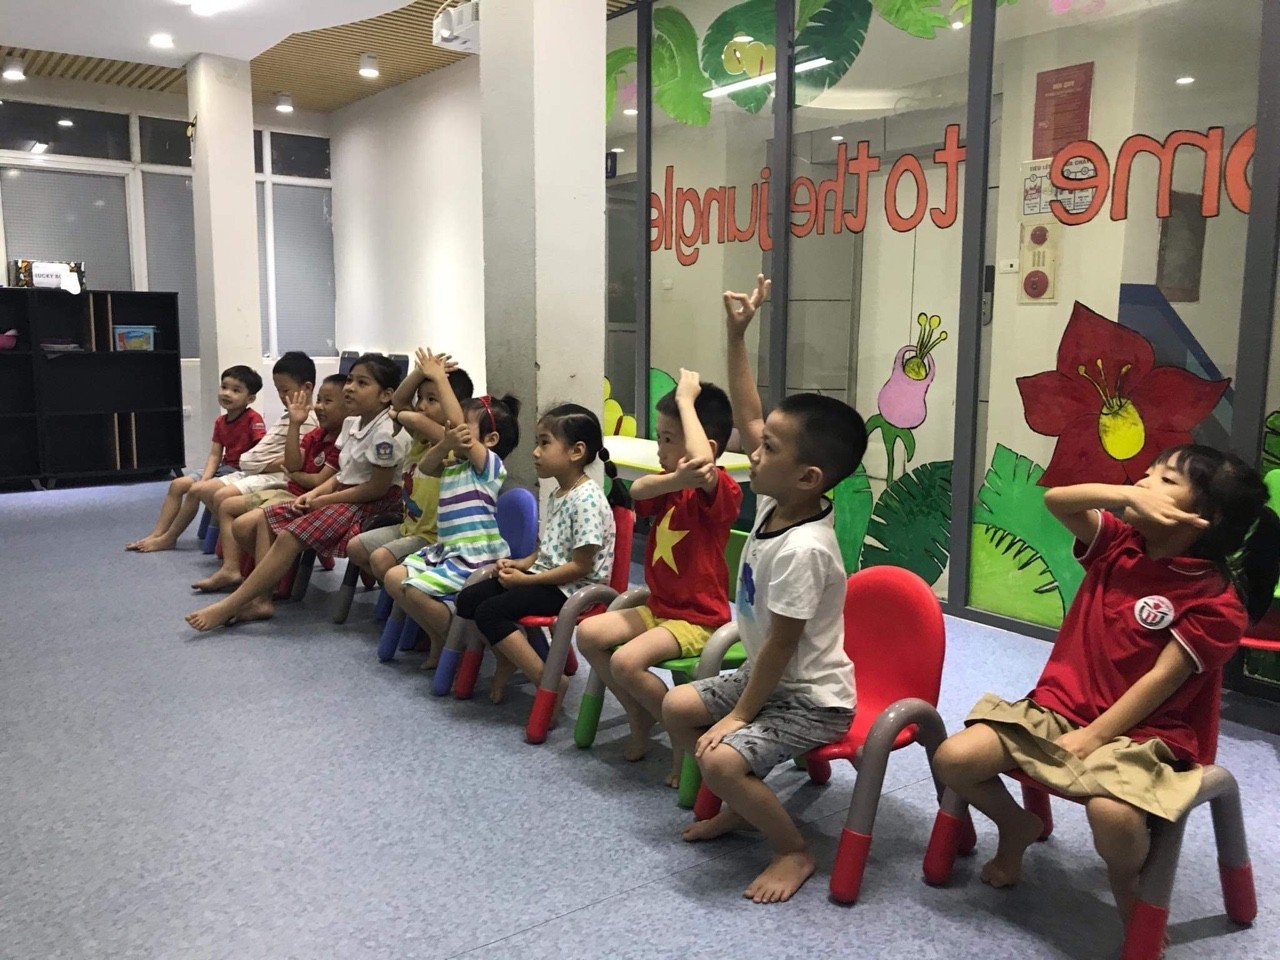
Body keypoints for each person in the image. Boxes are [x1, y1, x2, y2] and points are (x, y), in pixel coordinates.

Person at [932, 445, 1280, 938]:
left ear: (1206, 517)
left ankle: (1126, 880)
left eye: (1165, 480)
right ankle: (1016, 825)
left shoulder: (1215, 601)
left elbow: (1160, 682)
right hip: (1057, 707)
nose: (1143, 482)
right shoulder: (1119, 543)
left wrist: (1095, 736)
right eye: (1148, 473)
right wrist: (1123, 495)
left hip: (1146, 734)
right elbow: (1057, 501)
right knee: (954, 759)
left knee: (1112, 815)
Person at [662, 274, 867, 905]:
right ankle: (742, 806)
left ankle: (793, 849)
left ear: (808, 476)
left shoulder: (805, 549)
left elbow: (781, 646)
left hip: (811, 699)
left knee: (721, 757)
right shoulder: (784, 497)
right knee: (678, 707)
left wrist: (740, 715)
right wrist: (737, 334)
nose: (751, 451)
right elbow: (753, 414)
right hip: (768, 676)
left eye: (766, 448)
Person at [576, 368, 741, 780]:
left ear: (706, 446)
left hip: (698, 618)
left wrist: (686, 399)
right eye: (659, 437)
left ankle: (680, 737)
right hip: (659, 607)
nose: (659, 448)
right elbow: (637, 491)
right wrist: (676, 476)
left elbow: (703, 467)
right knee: (589, 634)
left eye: (668, 439)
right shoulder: (670, 485)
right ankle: (642, 713)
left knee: (626, 662)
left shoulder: (722, 491)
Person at [185, 354, 411, 631]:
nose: (350, 387)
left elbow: (376, 488)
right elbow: (342, 473)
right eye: (350, 380)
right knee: (266, 519)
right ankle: (262, 600)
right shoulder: (353, 424)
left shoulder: (386, 433)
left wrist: (324, 498)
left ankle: (229, 606)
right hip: (342, 495)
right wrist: (315, 495)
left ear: (386, 395)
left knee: (290, 535)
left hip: (370, 504)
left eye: (362, 383)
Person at [454, 403, 630, 716]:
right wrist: (522, 564)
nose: (535, 452)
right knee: (469, 599)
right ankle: (509, 658)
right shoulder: (559, 492)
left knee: (490, 612)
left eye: (544, 443)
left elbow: (581, 566)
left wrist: (527, 580)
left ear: (576, 451)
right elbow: (552, 548)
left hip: (573, 589)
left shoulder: (587, 499)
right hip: (549, 578)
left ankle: (548, 681)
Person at [383, 365, 521, 667]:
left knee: (415, 592)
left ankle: (458, 642)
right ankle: (441, 636)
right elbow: (426, 467)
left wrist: (439, 377)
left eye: (460, 427)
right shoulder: (454, 465)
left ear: (490, 439)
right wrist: (446, 442)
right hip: (446, 552)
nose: (451, 427)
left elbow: (461, 430)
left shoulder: (490, 467)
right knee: (393, 578)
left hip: (475, 558)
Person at [191, 374, 346, 593]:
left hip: (306, 499)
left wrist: (295, 475)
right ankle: (232, 569)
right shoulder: (315, 435)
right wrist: (294, 425)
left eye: (327, 401)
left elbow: (316, 480)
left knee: (249, 523)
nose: (319, 406)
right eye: (319, 400)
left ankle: (264, 586)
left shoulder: (342, 441)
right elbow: (292, 464)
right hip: (290, 491)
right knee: (227, 507)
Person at [346, 348, 474, 589]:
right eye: (420, 398)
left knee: (381, 559)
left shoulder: (454, 442)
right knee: (356, 548)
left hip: (436, 538)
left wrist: (437, 381)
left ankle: (408, 600)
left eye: (432, 400)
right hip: (409, 528)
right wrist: (420, 372)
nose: (422, 406)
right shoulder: (420, 438)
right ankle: (402, 590)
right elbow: (399, 401)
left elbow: (446, 423)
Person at [126, 365, 265, 553]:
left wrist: (205, 483)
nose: (227, 393)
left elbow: (261, 451)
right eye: (224, 387)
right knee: (177, 485)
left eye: (236, 390)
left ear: (250, 399)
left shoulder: (253, 419)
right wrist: (206, 477)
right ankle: (157, 533)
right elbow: (215, 455)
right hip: (223, 468)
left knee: (195, 490)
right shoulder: (220, 421)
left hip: (240, 472)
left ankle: (170, 538)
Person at [194, 351, 318, 520]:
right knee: (203, 489)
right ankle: (214, 532)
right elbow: (216, 454)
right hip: (251, 470)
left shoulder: (307, 421)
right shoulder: (285, 417)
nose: (281, 396)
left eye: (285, 390)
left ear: (307, 388)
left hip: (271, 475)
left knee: (222, 497)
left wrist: (260, 465)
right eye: (278, 390)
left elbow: (295, 461)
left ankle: (225, 533)